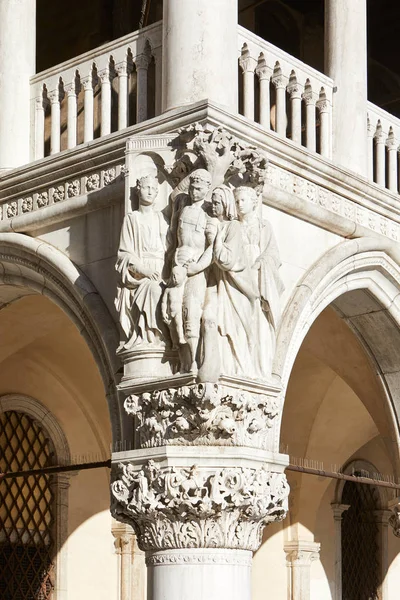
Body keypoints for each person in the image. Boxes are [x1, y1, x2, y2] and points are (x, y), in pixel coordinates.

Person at [200, 185, 259, 380]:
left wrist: (216, 239)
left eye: (217, 202)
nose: (214, 206)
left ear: (225, 204)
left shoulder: (232, 227)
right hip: (215, 283)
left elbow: (227, 260)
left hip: (234, 288)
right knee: (210, 319)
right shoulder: (212, 224)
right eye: (213, 202)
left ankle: (237, 368)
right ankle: (212, 366)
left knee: (234, 329)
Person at [167, 169, 216, 371]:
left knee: (191, 311)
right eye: (193, 187)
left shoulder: (210, 215)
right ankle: (181, 353)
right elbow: (172, 195)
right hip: (178, 265)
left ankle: (194, 361)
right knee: (172, 310)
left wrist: (197, 266)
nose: (195, 192)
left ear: (207, 189)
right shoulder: (182, 206)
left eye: (200, 189)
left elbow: (213, 248)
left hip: (196, 269)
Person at [234, 186, 284, 376]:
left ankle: (258, 363)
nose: (239, 205)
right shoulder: (233, 226)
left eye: (243, 200)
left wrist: (260, 264)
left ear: (253, 202)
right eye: (237, 201)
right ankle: (242, 361)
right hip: (238, 272)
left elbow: (273, 253)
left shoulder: (264, 226)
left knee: (258, 320)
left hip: (257, 273)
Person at [115, 174, 169, 350]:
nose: (150, 192)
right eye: (146, 187)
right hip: (141, 272)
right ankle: (149, 337)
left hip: (161, 267)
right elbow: (125, 254)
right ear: (138, 190)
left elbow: (168, 247)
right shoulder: (132, 218)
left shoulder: (161, 218)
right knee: (152, 288)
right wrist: (144, 271)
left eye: (154, 189)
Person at [161, 264, 187, 349]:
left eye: (177, 276)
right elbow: (163, 302)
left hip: (178, 311)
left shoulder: (182, 288)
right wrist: (163, 312)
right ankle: (175, 344)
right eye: (173, 277)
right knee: (172, 329)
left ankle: (181, 338)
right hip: (170, 312)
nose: (175, 279)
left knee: (178, 325)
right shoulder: (168, 290)